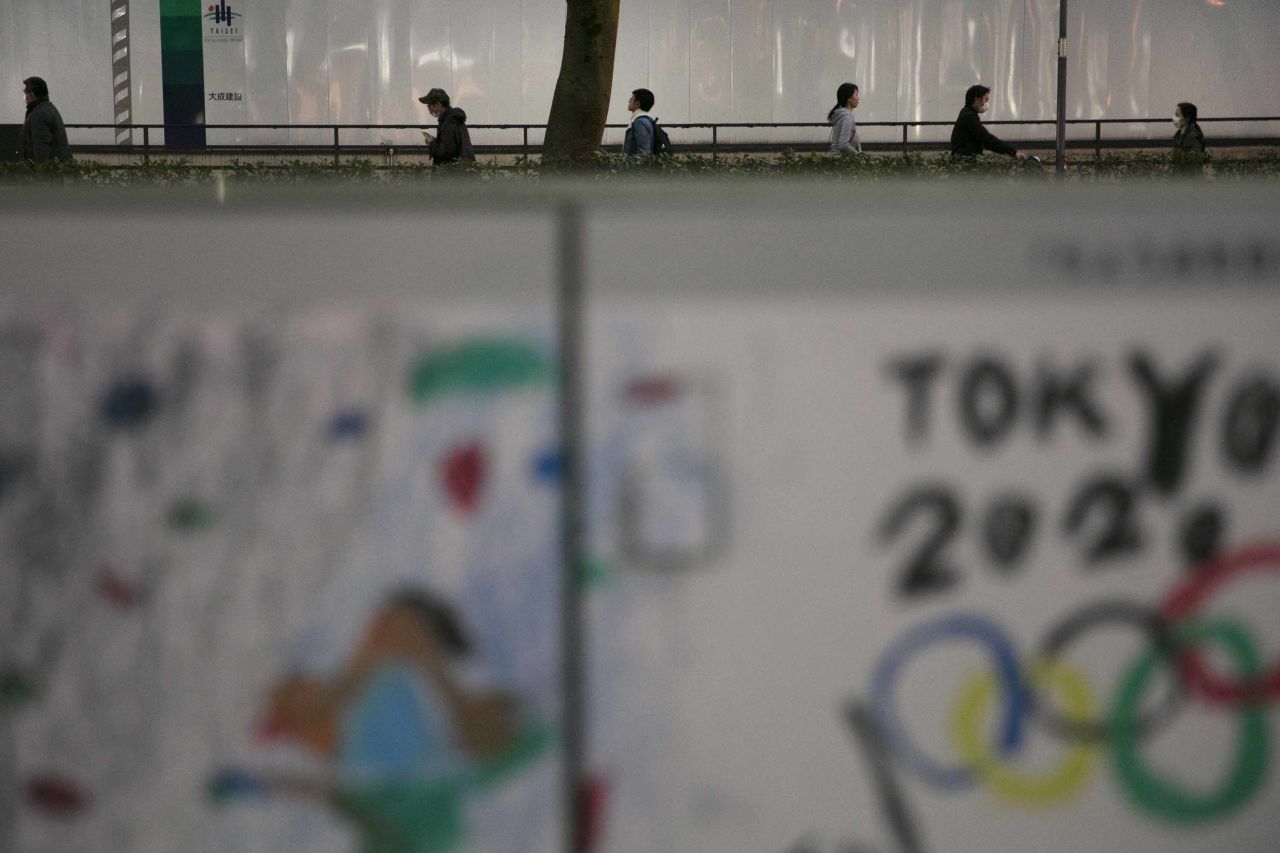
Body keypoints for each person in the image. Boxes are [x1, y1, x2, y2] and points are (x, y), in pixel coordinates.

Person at [950, 84, 1024, 159]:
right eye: (986, 100)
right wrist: (1012, 151)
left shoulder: (967, 113)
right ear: (977, 99)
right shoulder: (969, 116)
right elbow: (986, 139)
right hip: (966, 162)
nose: (986, 104)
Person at [21, 76, 71, 165]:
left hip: (49, 174)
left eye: (25, 94)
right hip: (58, 170)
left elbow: (41, 150)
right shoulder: (48, 108)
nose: (24, 98)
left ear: (32, 95)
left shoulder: (38, 114)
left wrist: (41, 175)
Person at [418, 88, 475, 166]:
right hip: (460, 171)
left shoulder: (449, 122)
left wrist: (431, 142)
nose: (428, 108)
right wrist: (435, 141)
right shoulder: (452, 119)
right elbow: (449, 145)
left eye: (429, 105)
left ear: (438, 105)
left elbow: (445, 153)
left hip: (454, 174)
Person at [1171, 101, 1206, 174]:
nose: (1174, 118)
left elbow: (1193, 163)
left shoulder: (1192, 137)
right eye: (1175, 115)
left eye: (1177, 115)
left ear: (1187, 118)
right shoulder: (1180, 134)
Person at [828, 82, 862, 155]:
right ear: (849, 98)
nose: (858, 98)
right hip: (844, 161)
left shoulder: (842, 116)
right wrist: (858, 156)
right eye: (856, 95)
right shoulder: (847, 118)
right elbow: (843, 145)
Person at [622, 88, 656, 156]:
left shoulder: (639, 122)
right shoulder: (647, 119)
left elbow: (643, 152)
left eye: (631, 99)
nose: (629, 101)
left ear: (637, 103)